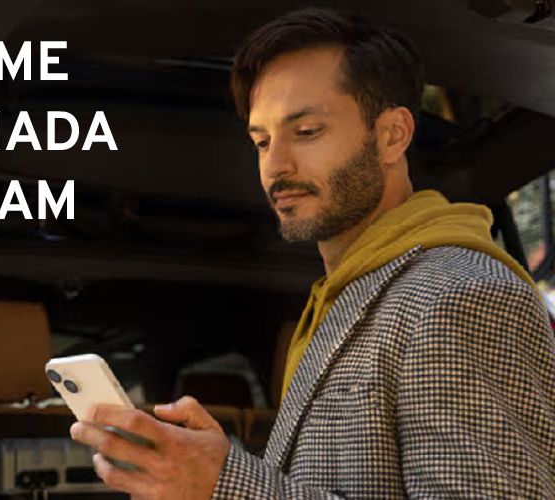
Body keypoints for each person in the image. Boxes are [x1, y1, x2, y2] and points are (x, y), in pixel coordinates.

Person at [70, 8, 555, 498]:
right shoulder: (345, 300)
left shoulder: (460, 296)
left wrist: (225, 485)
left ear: (393, 135)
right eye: (261, 141)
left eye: (306, 132)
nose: (275, 167)